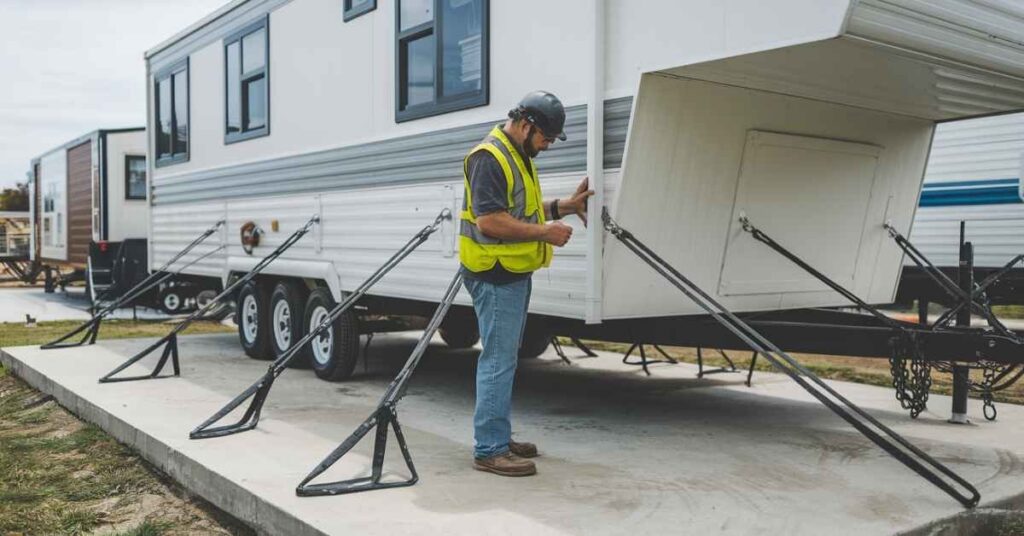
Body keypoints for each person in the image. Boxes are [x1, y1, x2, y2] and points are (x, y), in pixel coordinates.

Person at [459, 90, 593, 476]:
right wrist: (545, 233)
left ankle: (497, 435)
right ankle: (490, 449)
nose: (547, 145)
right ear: (526, 124)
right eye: (545, 137)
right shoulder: (490, 157)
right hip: (495, 273)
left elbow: (521, 208)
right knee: (498, 361)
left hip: (511, 272)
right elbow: (490, 221)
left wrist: (564, 207)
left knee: (504, 359)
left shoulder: (516, 153)